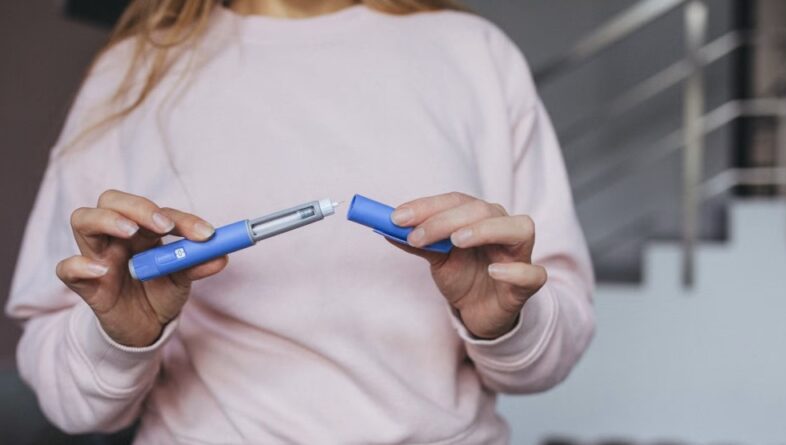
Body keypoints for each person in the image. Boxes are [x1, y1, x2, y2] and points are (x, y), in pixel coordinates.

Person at [6, 0, 595, 443]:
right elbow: (70, 403)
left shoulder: (474, 54)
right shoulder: (131, 72)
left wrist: (500, 324)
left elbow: (553, 349)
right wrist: (118, 337)